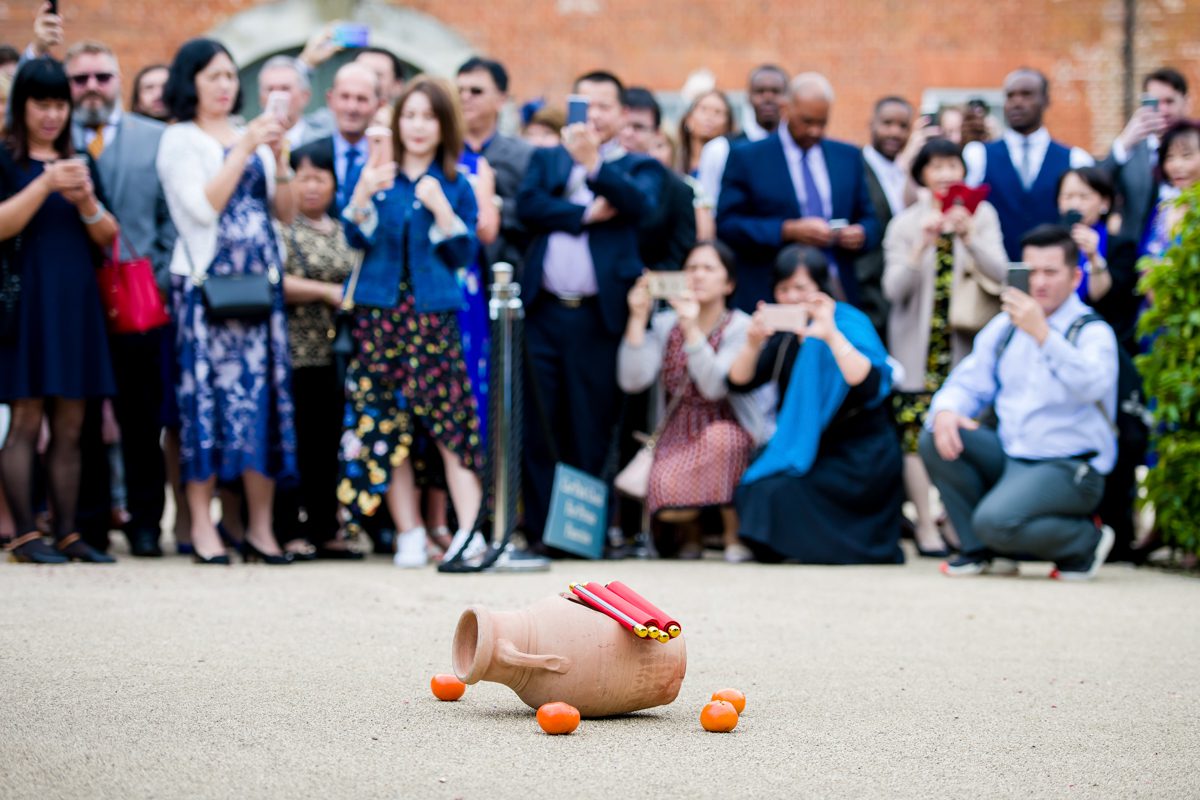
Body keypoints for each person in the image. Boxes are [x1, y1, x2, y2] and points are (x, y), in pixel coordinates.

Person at [156, 38, 298, 566]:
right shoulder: (179, 140)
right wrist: (242, 149)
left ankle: (261, 529)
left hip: (260, 286)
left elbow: (283, 213)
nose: (224, 86)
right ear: (189, 81)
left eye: (230, 76)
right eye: (213, 76)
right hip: (205, 289)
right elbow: (200, 210)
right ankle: (202, 527)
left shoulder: (252, 136)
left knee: (262, 404)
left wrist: (278, 160)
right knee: (205, 407)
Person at [338, 75, 483, 568]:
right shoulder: (376, 174)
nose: (419, 126)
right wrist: (361, 194)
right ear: (397, 122)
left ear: (445, 126)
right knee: (385, 424)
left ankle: (468, 530)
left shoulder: (457, 183)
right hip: (379, 318)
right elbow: (354, 239)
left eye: (429, 116)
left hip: (433, 317)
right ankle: (409, 532)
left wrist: (443, 210)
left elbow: (465, 253)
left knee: (450, 424)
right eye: (411, 115)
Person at [920, 224, 1118, 580]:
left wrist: (1043, 333)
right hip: (1013, 454)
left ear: (1075, 277)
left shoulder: (1091, 331)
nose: (1039, 282)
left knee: (994, 521)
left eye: (1050, 272)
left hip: (1070, 465)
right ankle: (979, 551)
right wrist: (948, 410)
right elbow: (967, 382)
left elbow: (1092, 385)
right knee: (936, 431)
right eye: (1031, 272)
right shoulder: (1005, 327)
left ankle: (1084, 541)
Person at [516, 70, 662, 551]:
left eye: (604, 106)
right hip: (544, 312)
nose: (594, 115)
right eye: (586, 105)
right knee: (541, 425)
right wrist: (581, 214)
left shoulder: (635, 166)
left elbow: (641, 207)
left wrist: (595, 165)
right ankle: (540, 532)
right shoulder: (546, 158)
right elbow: (528, 206)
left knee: (590, 425)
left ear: (621, 114)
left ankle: (582, 535)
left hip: (598, 318)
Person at [0, 57, 120, 564]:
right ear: (20, 106)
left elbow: (108, 236)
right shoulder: (5, 158)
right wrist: (46, 184)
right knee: (26, 417)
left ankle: (69, 532)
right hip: (26, 299)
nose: (51, 115)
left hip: (76, 301)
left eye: (59, 105)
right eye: (41, 104)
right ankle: (27, 534)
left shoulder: (82, 160)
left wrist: (87, 198)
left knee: (73, 421)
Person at [64, 40, 177, 557]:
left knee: (141, 418)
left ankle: (147, 523)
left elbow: (168, 221)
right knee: (78, 417)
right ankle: (86, 524)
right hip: (71, 305)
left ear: (118, 79)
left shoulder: (156, 138)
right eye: (80, 79)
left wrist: (159, 284)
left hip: (140, 302)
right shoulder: (52, 140)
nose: (91, 87)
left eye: (102, 77)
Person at [728, 245, 903, 564]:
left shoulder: (849, 323)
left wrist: (830, 335)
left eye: (801, 288)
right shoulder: (786, 335)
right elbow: (739, 382)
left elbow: (869, 386)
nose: (792, 297)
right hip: (814, 449)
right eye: (783, 289)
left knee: (777, 493)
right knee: (757, 487)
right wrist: (753, 344)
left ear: (821, 287)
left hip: (861, 454)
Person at [883, 137, 1007, 556]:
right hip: (915, 348)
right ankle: (925, 525)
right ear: (921, 174)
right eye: (935, 166)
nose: (945, 174)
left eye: (952, 165)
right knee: (915, 437)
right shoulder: (904, 223)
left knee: (957, 430)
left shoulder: (982, 216)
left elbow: (1004, 275)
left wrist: (969, 237)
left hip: (964, 348)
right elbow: (892, 290)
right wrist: (921, 246)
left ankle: (955, 521)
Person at [617, 241, 758, 562]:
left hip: (726, 423)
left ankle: (732, 532)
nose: (698, 276)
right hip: (675, 431)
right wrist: (638, 319)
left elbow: (713, 388)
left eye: (708, 269)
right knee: (665, 484)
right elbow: (632, 380)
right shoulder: (667, 323)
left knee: (723, 442)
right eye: (691, 268)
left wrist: (692, 329)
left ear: (729, 282)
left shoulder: (740, 326)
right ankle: (690, 535)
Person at [717, 71, 879, 311]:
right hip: (771, 292)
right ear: (786, 108)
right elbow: (728, 224)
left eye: (822, 123)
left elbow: (871, 219)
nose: (814, 131)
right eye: (807, 121)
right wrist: (787, 230)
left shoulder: (847, 156)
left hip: (835, 291)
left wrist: (861, 233)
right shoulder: (748, 157)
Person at [271, 145, 361, 560]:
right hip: (291, 353)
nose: (310, 186)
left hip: (334, 355)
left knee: (327, 446)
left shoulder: (344, 230)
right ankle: (287, 529)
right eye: (302, 177)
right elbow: (275, 281)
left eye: (319, 178)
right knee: (293, 444)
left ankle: (327, 528)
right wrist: (327, 292)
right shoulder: (282, 229)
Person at [963, 68, 1094, 260]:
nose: (1017, 102)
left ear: (1046, 100)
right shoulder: (978, 155)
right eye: (1010, 96)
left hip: (1053, 275)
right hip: (994, 276)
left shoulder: (1076, 158)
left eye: (1026, 95)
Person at [455, 56, 534, 269]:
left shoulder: (524, 155)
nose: (465, 97)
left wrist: (493, 204)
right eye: (459, 90)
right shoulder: (441, 151)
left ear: (501, 99)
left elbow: (534, 210)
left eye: (476, 91)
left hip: (504, 266)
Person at [1102, 68, 1191, 243]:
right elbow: (1097, 184)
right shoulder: (1130, 150)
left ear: (1186, 102)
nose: (1163, 110)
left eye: (1170, 101)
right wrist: (1124, 143)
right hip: (1131, 257)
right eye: (1155, 102)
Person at [857, 96, 916, 341]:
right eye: (887, 123)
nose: (895, 132)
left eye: (903, 126)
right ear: (872, 124)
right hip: (867, 292)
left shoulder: (909, 173)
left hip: (904, 294)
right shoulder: (856, 168)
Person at [621, 87, 696, 271]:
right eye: (623, 125)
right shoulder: (588, 172)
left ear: (655, 132)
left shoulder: (678, 189)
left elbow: (679, 252)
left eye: (638, 127)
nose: (628, 134)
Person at [696, 64, 788, 209]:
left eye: (776, 92)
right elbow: (708, 206)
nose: (768, 98)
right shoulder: (720, 149)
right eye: (760, 91)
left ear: (788, 98)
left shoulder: (799, 150)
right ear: (748, 97)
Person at [300, 62, 384, 214]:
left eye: (362, 99)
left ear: (379, 105)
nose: (352, 107)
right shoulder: (303, 155)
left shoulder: (388, 159)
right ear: (330, 99)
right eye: (344, 97)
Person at [1142, 120, 1200, 260]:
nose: (1176, 165)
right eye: (1169, 157)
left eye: (1186, 156)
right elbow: (1145, 257)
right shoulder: (1163, 208)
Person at [256, 55, 321, 149]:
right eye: (270, 90)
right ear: (260, 98)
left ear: (305, 96)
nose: (277, 96)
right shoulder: (248, 144)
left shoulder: (324, 136)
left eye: (285, 89)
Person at [677, 89, 734, 178]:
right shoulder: (674, 158)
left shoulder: (732, 163)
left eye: (717, 112)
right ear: (688, 119)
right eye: (703, 109)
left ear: (727, 125)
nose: (710, 117)